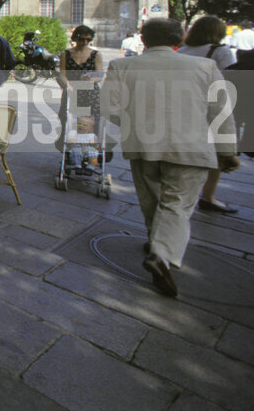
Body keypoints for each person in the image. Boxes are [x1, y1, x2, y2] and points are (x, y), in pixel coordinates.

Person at [102, 18, 239, 298]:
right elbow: (221, 113)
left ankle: (158, 246)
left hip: (142, 143)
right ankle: (161, 254)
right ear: (179, 38)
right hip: (190, 146)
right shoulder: (205, 66)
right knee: (177, 204)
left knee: (151, 198)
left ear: (143, 38)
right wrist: (227, 151)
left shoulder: (122, 66)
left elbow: (108, 107)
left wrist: (135, 123)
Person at [177, 15, 238, 213]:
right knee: (216, 152)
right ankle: (208, 196)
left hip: (185, 105)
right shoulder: (220, 51)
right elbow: (228, 83)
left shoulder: (184, 50)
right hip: (209, 106)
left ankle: (186, 192)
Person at [57, 24, 103, 129]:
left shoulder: (95, 55)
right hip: (72, 91)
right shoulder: (66, 54)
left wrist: (90, 80)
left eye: (88, 39)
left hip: (90, 93)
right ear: (75, 38)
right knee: (69, 123)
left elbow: (99, 75)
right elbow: (62, 74)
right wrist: (68, 85)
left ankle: (92, 144)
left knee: (90, 124)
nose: (85, 42)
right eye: (82, 39)